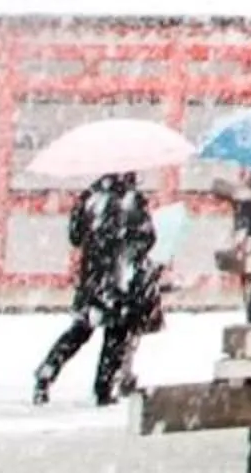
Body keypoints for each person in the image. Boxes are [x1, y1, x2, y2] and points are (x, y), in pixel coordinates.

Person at [32, 170, 161, 405]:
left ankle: (47, 371)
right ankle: (103, 388)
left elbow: (75, 236)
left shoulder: (90, 197)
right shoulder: (132, 200)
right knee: (117, 335)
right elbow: (148, 239)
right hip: (121, 278)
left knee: (80, 331)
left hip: (93, 276)